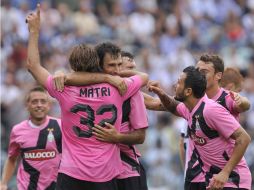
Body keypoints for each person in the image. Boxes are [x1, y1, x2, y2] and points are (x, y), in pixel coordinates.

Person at [26, 4, 148, 190]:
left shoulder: (63, 88)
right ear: (98, 65)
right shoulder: (118, 88)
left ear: (73, 67)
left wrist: (34, 31)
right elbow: (143, 78)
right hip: (104, 173)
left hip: (71, 172)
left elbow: (33, 66)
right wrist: (108, 77)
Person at [53, 48, 149, 190]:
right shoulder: (81, 89)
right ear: (98, 65)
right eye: (112, 65)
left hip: (127, 169)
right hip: (97, 172)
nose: (117, 70)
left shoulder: (130, 91)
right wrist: (60, 74)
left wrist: (117, 137)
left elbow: (141, 135)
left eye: (120, 65)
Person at [148, 66, 251, 190]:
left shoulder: (210, 110)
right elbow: (173, 106)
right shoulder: (189, 109)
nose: (175, 85)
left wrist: (225, 173)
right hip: (214, 182)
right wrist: (160, 93)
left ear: (188, 91)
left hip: (232, 180)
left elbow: (244, 138)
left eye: (179, 82)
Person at [0, 86, 62, 190]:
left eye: (43, 101)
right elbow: (12, 159)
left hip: (55, 186)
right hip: (26, 186)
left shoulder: (60, 126)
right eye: (34, 102)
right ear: (26, 105)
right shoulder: (17, 130)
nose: (39, 105)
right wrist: (3, 183)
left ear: (49, 105)